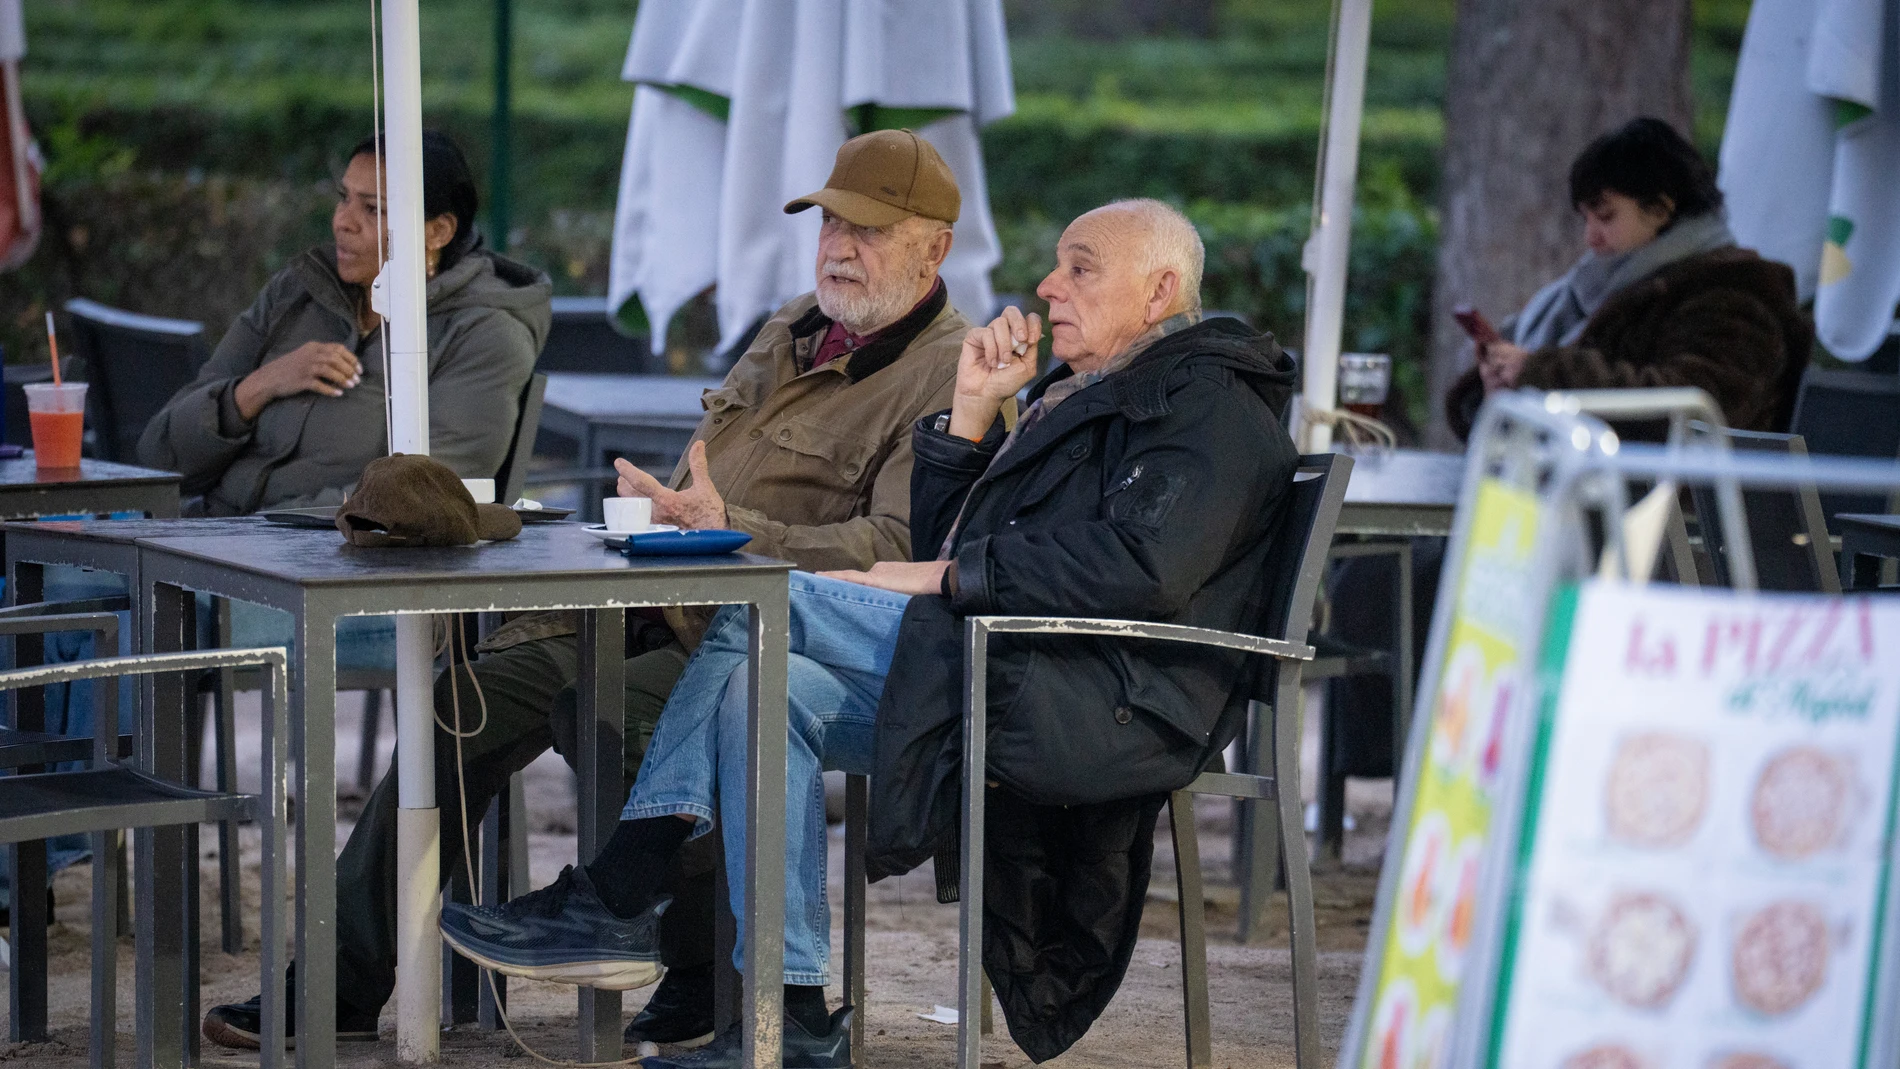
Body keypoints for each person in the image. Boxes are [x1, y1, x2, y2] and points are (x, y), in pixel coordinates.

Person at [437, 199, 1301, 1068]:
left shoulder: (1209, 402)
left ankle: (619, 889)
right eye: (1056, 264)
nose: (1047, 286)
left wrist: (948, 579)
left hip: (1103, 699)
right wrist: (970, 416)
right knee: (759, 689)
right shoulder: (1076, 393)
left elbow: (1142, 564)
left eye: (1080, 268)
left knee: (765, 603)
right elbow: (953, 540)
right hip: (1015, 664)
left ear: (1158, 291)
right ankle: (790, 1017)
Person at [201, 128, 973, 1051]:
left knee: (607, 713)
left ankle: (697, 964)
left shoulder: (953, 373)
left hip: (761, 634)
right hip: (647, 595)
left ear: (935, 248)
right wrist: (659, 514)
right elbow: (703, 473)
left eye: (869, 230)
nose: (839, 247)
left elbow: (896, 552)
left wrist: (729, 529)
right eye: (831, 223)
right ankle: (333, 984)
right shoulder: (793, 325)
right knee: (458, 706)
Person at [139, 130, 548, 513]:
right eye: (343, 198)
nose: (342, 221)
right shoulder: (299, 292)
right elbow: (159, 457)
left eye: (373, 208)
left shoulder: (485, 335)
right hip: (205, 535)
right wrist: (260, 385)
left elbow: (419, 496)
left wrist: (253, 533)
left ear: (438, 231)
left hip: (316, 556)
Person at [1446, 116, 1811, 441]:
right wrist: (1505, 385)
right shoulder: (1602, 286)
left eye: (1606, 217)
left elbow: (1696, 410)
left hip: (1667, 497)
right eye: (1586, 219)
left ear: (1661, 209)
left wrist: (1542, 373)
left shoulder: (1735, 293)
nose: (1591, 237)